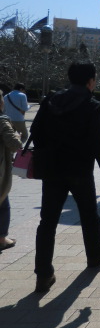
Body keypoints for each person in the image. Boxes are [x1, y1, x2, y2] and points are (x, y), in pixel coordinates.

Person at [30, 63, 100, 293]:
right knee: (89, 215)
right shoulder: (92, 105)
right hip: (79, 169)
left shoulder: (50, 100)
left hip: (51, 170)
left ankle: (43, 273)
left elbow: (35, 131)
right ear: (90, 81)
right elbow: (98, 142)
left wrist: (50, 151)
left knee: (47, 222)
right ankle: (94, 255)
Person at [0, 91, 23, 251]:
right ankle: (2, 238)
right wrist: (18, 137)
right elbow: (15, 144)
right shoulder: (2, 121)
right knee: (3, 204)